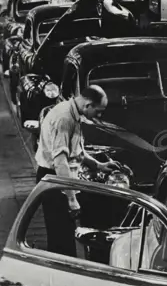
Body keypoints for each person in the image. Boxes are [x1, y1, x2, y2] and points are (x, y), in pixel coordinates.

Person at [34, 84, 115, 257]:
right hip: (55, 181)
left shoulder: (74, 114)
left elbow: (76, 151)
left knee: (67, 233)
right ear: (88, 105)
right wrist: (71, 198)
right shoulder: (64, 118)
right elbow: (60, 161)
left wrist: (97, 165)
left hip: (63, 180)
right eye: (98, 111)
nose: (99, 115)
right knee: (61, 239)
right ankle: (61, 275)